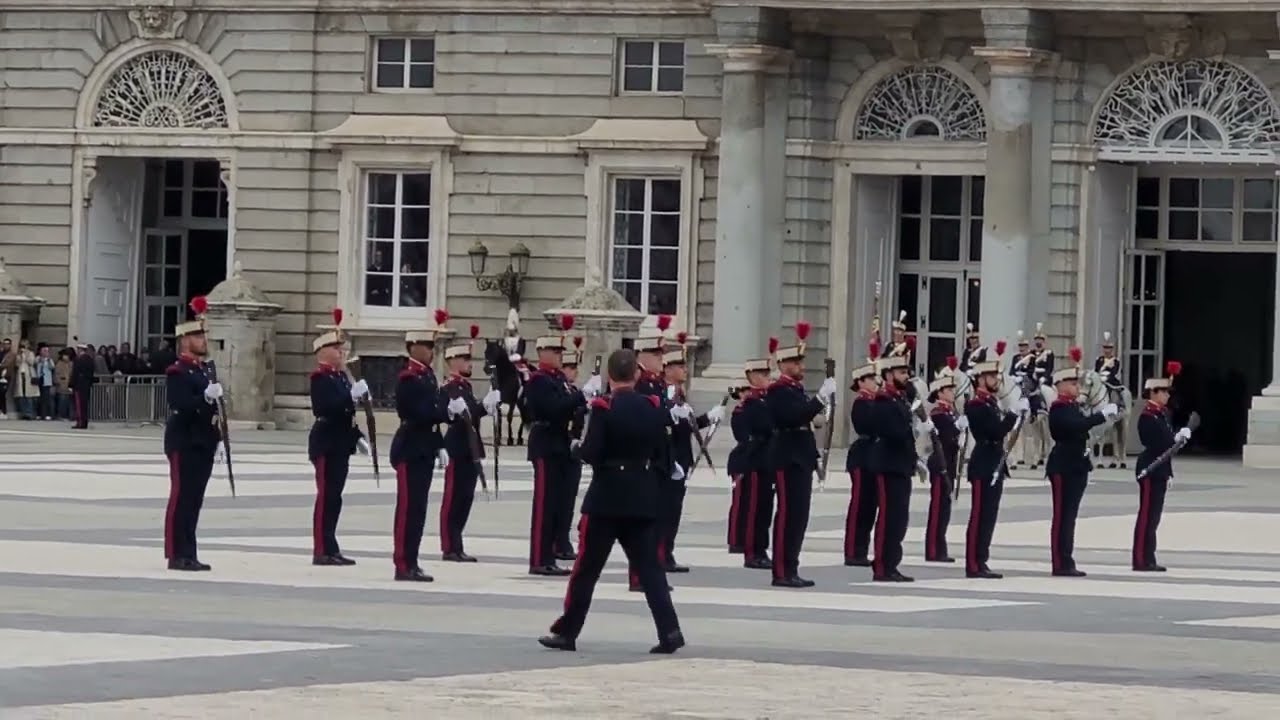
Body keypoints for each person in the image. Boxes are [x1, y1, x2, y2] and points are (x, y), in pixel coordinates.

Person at [538, 349, 685, 654]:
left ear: (609, 376)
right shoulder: (652, 405)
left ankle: (568, 631)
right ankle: (670, 630)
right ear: (636, 375)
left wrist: (576, 447)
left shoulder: (603, 406)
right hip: (641, 496)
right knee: (650, 569)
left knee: (586, 570)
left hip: (607, 497)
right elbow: (661, 446)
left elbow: (592, 451)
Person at [765, 322, 835, 588]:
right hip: (786, 457)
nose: (801, 367)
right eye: (796, 363)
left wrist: (814, 457)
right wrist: (819, 400)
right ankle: (781, 570)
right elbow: (795, 416)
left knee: (799, 516)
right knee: (787, 515)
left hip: (800, 456)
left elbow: (805, 423)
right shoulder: (778, 391)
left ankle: (791, 566)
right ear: (783, 365)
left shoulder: (793, 389)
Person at [390, 309, 453, 582]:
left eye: (432, 346)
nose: (431, 351)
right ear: (413, 347)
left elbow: (433, 416)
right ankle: (403, 563)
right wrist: (444, 410)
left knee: (419, 509)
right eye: (427, 346)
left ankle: (412, 561)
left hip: (424, 446)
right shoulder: (408, 378)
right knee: (408, 508)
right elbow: (419, 412)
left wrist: (439, 443)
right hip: (410, 448)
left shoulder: (426, 376)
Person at [163, 296, 223, 572]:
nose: (203, 340)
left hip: (203, 441)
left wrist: (219, 439)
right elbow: (181, 405)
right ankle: (177, 553)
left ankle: (190, 551)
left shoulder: (204, 370)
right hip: (184, 441)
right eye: (198, 335)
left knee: (195, 499)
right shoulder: (177, 371)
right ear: (185, 340)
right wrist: (205, 398)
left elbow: (212, 410)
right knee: (181, 498)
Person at [1046, 347, 1118, 577]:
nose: (1078, 387)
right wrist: (1100, 416)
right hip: (1063, 466)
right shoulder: (1058, 409)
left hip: (1076, 466)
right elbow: (1074, 427)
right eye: (1073, 384)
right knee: (1062, 517)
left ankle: (1067, 559)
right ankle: (1060, 561)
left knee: (1070, 516)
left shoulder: (1072, 407)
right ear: (1061, 386)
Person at [523, 315, 583, 576]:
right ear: (542, 352)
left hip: (558, 445)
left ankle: (550, 554)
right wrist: (579, 397)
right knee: (544, 506)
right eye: (555, 351)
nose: (560, 355)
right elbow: (552, 409)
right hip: (546, 445)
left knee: (557, 504)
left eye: (561, 351)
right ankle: (539, 558)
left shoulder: (558, 380)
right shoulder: (539, 380)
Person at [658, 332, 723, 572]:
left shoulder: (678, 393)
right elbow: (668, 426)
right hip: (669, 458)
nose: (685, 370)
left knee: (674, 510)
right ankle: (661, 554)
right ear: (668, 369)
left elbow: (686, 425)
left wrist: (708, 418)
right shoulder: (665, 394)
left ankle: (667, 553)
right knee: (666, 510)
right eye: (680, 366)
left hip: (681, 458)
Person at [307, 314, 367, 566]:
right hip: (326, 443)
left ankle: (331, 547)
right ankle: (322, 549)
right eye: (336, 348)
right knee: (326, 496)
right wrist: (350, 397)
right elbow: (325, 408)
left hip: (341, 442)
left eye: (341, 348)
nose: (341, 352)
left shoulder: (341, 376)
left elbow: (347, 415)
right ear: (323, 351)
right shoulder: (320, 377)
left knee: (335, 497)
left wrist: (360, 437)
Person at [439, 325, 501, 563]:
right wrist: (481, 406)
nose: (468, 362)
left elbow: (471, 414)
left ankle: (458, 544)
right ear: (452, 361)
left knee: (464, 499)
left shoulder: (464, 386)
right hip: (457, 447)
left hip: (470, 447)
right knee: (453, 499)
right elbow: (449, 415)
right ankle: (449, 546)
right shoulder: (448, 388)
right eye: (464, 358)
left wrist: (485, 407)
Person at [964, 341, 1024, 579]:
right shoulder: (976, 405)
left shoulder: (990, 402)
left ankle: (982, 559)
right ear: (980, 379)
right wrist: (1012, 414)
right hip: (983, 462)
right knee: (979, 515)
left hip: (995, 461)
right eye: (991, 375)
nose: (996, 380)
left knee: (989, 515)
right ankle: (973, 563)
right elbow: (994, 431)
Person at [869, 349, 921, 582]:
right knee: (888, 518)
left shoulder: (900, 398)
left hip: (900, 465)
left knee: (900, 519)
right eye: (901, 372)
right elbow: (894, 431)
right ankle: (882, 565)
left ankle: (892, 563)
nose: (906, 376)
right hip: (888, 464)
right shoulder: (883, 400)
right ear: (889, 375)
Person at [1134, 361, 1191, 572]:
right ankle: (1140, 558)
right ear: (1154, 393)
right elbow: (1157, 442)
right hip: (1150, 468)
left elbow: (1166, 446)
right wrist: (1175, 439)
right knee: (1146, 516)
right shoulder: (1148, 416)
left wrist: (1169, 472)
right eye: (1164, 392)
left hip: (1160, 469)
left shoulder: (1161, 414)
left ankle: (1149, 557)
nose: (1167, 395)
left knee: (1154, 518)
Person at [728, 348, 774, 569]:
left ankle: (761, 548)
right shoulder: (748, 405)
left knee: (765, 510)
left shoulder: (767, 401)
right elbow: (744, 434)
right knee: (753, 509)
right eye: (764, 375)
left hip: (767, 461)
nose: (768, 378)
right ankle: (750, 551)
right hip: (754, 462)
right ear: (753, 377)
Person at [843, 341, 881, 567]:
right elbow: (867, 426)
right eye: (871, 379)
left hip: (873, 457)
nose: (875, 383)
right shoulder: (861, 404)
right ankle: (852, 551)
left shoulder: (875, 402)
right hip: (862, 457)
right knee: (859, 506)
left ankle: (861, 550)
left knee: (870, 507)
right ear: (861, 382)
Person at [553, 340, 588, 561]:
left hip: (573, 449)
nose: (574, 372)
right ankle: (558, 540)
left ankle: (563, 540)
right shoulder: (563, 392)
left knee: (568, 499)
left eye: (575, 367)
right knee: (558, 498)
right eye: (570, 367)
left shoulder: (572, 390)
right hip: (560, 447)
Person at [924, 360, 962, 564]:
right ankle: (933, 549)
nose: (952, 392)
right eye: (948, 389)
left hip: (949, 461)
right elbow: (948, 435)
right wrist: (958, 428)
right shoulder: (938, 413)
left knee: (945, 507)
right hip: (940, 463)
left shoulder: (950, 411)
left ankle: (941, 547)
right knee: (938, 507)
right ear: (939, 393)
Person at [71, 342, 96, 429]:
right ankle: (84, 422)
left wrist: (71, 384)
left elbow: (75, 373)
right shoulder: (90, 359)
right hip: (86, 385)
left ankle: (80, 422)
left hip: (79, 385)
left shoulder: (79, 359)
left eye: (78, 349)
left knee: (79, 405)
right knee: (84, 405)